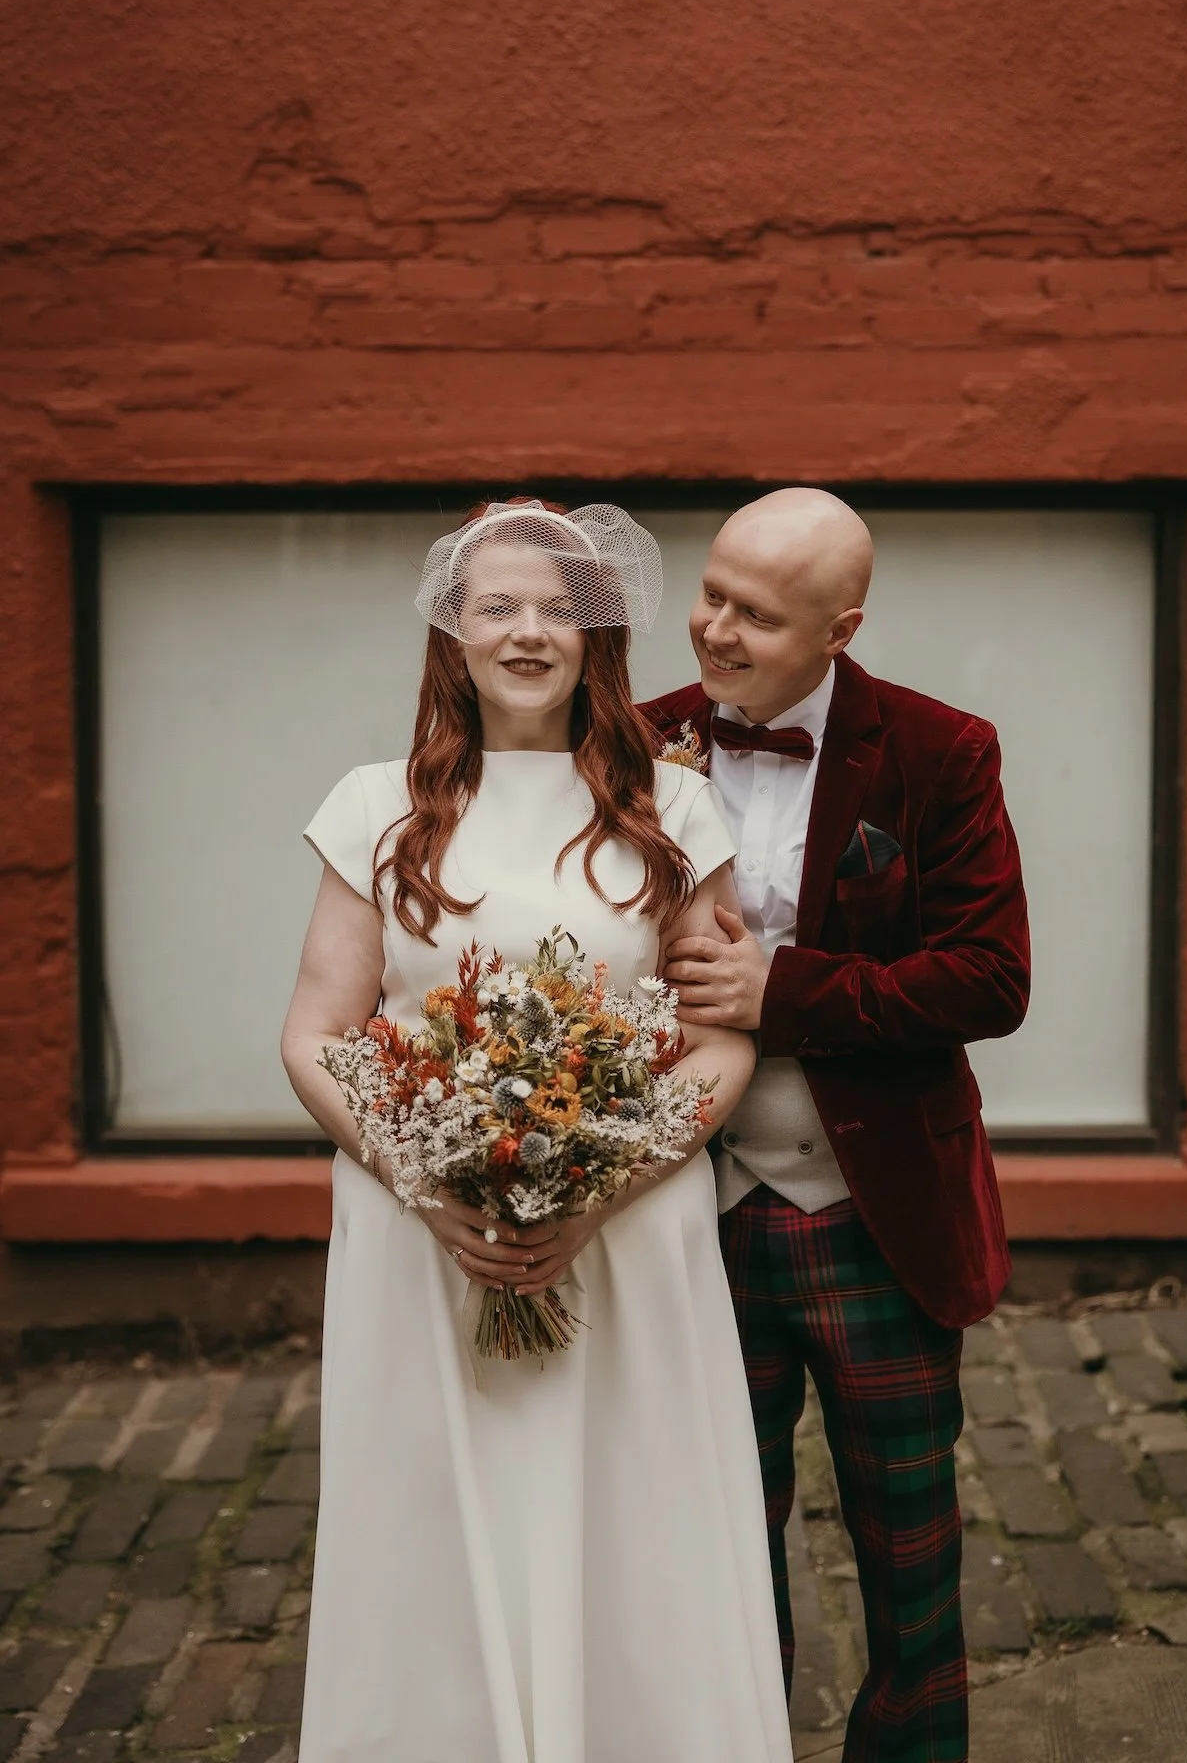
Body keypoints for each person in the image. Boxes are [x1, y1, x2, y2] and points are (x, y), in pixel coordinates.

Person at [280, 498, 791, 1763]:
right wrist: (424, 1176)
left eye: (558, 610)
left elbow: (720, 1034)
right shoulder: (372, 806)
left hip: (623, 1233)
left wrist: (599, 1186)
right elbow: (314, 1033)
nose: (527, 632)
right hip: (424, 1234)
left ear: (596, 637)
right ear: (452, 632)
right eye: (497, 606)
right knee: (437, 1519)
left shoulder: (671, 810)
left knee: (633, 1515)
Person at [644, 488, 1031, 1763]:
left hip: (878, 1221)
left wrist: (785, 991)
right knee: (710, 1545)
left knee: (908, 1550)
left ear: (838, 627)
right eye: (710, 592)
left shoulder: (938, 750)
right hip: (682, 1218)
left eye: (755, 615)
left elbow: (988, 976)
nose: (713, 629)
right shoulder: (631, 745)